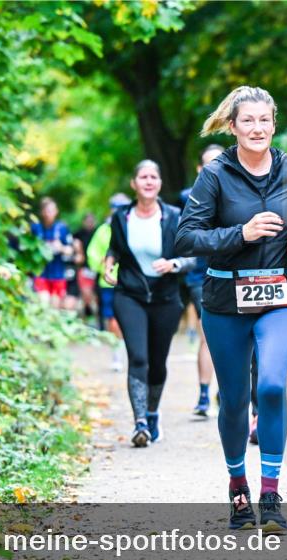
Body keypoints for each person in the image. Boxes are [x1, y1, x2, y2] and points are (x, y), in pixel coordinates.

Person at [175, 85, 287, 533]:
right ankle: (238, 486)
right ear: (233, 126)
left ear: (274, 123)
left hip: (280, 296)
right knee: (235, 401)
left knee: (273, 387)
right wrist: (242, 233)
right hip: (225, 301)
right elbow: (185, 238)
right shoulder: (215, 175)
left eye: (264, 120)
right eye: (248, 121)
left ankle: (271, 493)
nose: (257, 128)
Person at [103, 160, 195, 448]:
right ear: (134, 184)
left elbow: (192, 256)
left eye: (153, 176)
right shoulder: (121, 217)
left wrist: (174, 264)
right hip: (129, 294)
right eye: (142, 176)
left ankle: (153, 412)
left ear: (159, 183)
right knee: (138, 357)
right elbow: (115, 248)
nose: (148, 181)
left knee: (157, 363)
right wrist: (108, 265)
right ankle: (139, 422)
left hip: (166, 298)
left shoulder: (174, 216)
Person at [179, 144, 225, 418]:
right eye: (209, 163)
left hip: (234, 276)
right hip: (200, 275)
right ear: (199, 168)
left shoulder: (238, 192)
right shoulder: (188, 198)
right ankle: (205, 394)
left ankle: (227, 389)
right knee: (209, 334)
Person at [87, 193, 132, 370]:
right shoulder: (103, 230)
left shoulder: (134, 227)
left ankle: (127, 351)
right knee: (113, 320)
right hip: (109, 283)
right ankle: (117, 353)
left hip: (131, 282)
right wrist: (103, 266)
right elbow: (93, 254)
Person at [30, 197, 74, 308]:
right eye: (46, 210)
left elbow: (71, 250)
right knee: (44, 303)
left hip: (58, 273)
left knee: (55, 308)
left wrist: (61, 248)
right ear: (42, 212)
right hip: (41, 272)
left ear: (56, 212)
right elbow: (27, 248)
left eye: (52, 210)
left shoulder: (62, 229)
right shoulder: (35, 228)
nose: (49, 214)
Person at [74, 212, 98, 319]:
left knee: (94, 297)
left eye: (91, 221)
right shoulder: (78, 234)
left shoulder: (98, 233)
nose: (89, 223)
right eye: (87, 221)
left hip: (96, 269)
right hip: (84, 269)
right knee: (85, 294)